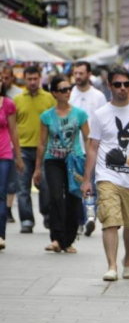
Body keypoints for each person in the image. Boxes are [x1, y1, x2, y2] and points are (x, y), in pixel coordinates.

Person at [81, 65, 129, 281]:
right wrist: (87, 179)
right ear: (109, 86)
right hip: (107, 176)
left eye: (126, 84)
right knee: (110, 219)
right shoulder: (100, 114)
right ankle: (112, 265)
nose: (123, 88)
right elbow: (93, 148)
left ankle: (128, 258)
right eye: (118, 84)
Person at [34, 76, 89, 254]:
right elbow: (42, 142)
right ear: (54, 93)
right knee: (55, 197)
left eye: (69, 89)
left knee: (73, 199)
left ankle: (69, 240)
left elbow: (88, 139)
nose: (67, 92)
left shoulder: (80, 114)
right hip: (53, 161)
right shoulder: (46, 116)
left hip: (74, 161)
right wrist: (37, 168)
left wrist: (89, 164)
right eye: (63, 89)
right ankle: (57, 239)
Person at [14, 66, 55, 233]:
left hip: (44, 148)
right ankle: (26, 220)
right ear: (24, 79)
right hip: (22, 148)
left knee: (45, 184)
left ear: (40, 79)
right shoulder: (17, 100)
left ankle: (46, 214)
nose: (32, 82)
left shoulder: (49, 98)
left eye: (35, 79)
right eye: (29, 79)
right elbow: (13, 125)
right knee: (23, 186)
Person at [69, 61, 107, 237]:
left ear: (89, 74)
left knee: (91, 185)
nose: (77, 76)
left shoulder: (98, 96)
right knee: (75, 187)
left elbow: (105, 121)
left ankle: (90, 218)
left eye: (81, 73)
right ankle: (78, 220)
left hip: (92, 148)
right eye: (75, 73)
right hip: (72, 149)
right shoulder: (68, 94)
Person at [0, 75, 24, 250]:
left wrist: (19, 157)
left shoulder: (8, 104)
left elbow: (13, 130)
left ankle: (0, 235)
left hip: (4, 154)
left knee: (1, 193)